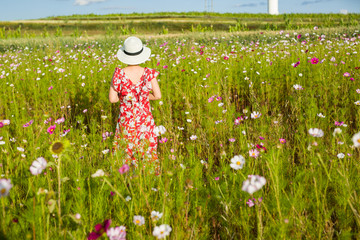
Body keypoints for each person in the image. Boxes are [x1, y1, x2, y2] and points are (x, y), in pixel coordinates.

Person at [109, 36, 162, 175]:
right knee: (148, 154)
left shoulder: (119, 74)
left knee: (125, 153)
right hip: (145, 121)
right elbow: (157, 96)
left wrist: (126, 98)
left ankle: (126, 181)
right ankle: (150, 182)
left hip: (126, 121)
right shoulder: (149, 73)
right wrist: (143, 97)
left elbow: (113, 99)